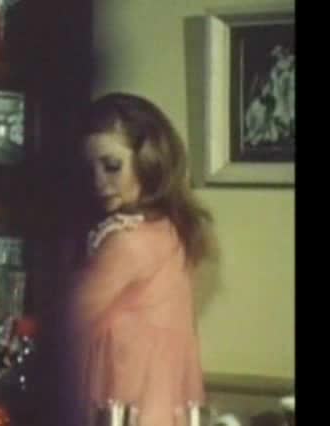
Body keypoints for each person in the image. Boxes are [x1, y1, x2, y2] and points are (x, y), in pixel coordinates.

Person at [68, 93, 215, 426]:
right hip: (164, 406)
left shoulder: (127, 240)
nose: (98, 182)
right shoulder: (169, 229)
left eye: (112, 166)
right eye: (89, 169)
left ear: (148, 160)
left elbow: (69, 319)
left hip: (126, 408)